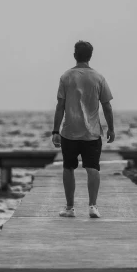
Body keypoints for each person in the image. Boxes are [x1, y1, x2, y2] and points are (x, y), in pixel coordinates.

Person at [52, 40, 114, 218]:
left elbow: (60, 106)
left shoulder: (66, 77)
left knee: (68, 167)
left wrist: (55, 131)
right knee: (93, 168)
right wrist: (111, 129)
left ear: (74, 55)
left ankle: (70, 208)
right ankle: (93, 206)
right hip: (92, 132)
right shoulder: (98, 78)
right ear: (90, 56)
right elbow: (107, 106)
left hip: (70, 131)